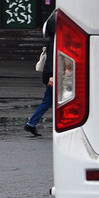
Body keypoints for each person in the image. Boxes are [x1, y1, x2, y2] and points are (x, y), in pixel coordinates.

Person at [25, 9, 57, 137]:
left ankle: (31, 124)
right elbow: (51, 61)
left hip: (51, 76)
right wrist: (52, 76)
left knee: (48, 101)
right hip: (54, 76)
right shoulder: (55, 43)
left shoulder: (51, 41)